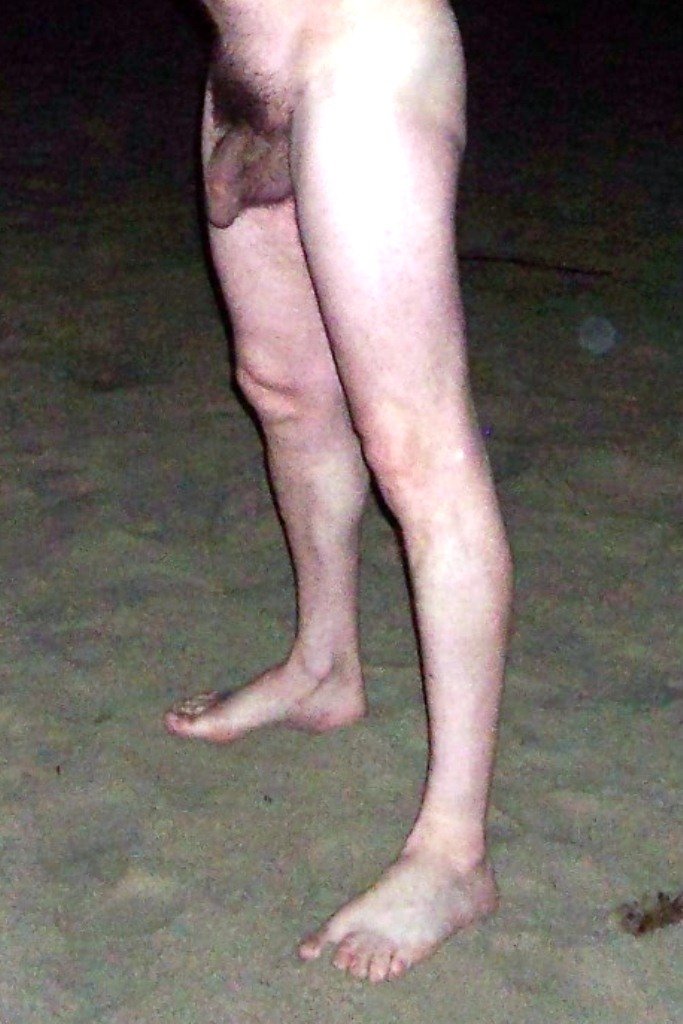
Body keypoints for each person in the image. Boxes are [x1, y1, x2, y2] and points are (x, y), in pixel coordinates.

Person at [165, 0, 512, 983]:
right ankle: (322, 665)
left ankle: (452, 854)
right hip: (248, 67)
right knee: (281, 390)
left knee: (416, 452)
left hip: (360, 57)